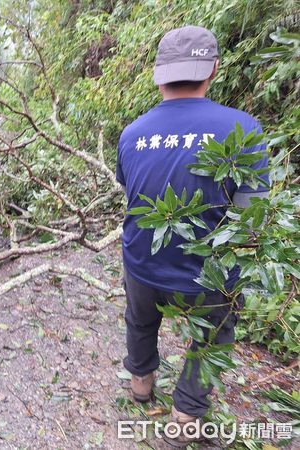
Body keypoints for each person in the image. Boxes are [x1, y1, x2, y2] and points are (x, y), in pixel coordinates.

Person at [116, 26, 269, 447]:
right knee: (212, 336)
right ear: (214, 69)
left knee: (141, 319)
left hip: (142, 265)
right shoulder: (242, 130)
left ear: (158, 75)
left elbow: (132, 193)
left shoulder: (132, 134)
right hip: (208, 276)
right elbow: (251, 217)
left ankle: (141, 387)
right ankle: (185, 418)